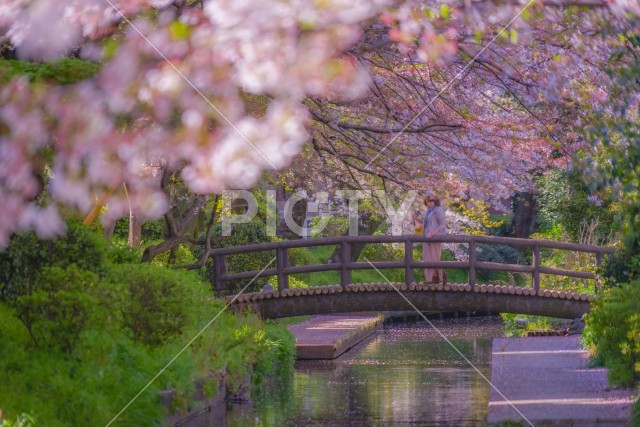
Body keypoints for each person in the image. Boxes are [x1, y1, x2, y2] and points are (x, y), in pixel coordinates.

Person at [422, 194, 447, 284]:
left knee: (435, 257)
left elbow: (442, 225)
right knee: (427, 257)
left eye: (432, 201)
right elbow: (426, 225)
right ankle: (430, 278)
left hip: (435, 237)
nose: (430, 203)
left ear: (435, 201)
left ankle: (439, 278)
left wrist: (432, 233)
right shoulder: (428, 211)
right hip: (426, 237)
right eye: (428, 201)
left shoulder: (438, 210)